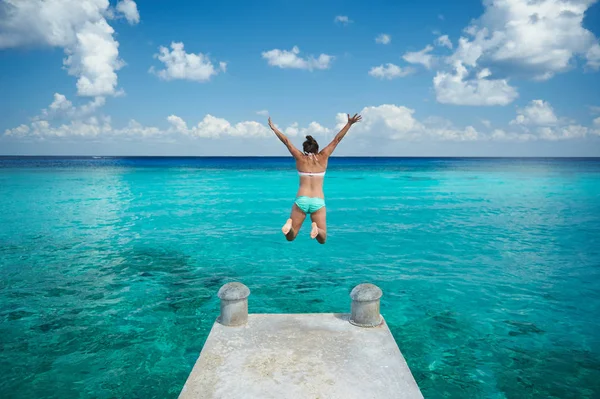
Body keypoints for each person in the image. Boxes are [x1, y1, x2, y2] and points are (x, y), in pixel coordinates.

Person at [267, 113, 362, 244]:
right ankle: (316, 229)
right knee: (322, 239)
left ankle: (289, 225)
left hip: (302, 200)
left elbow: (287, 142)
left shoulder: (300, 158)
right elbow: (336, 140)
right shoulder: (323, 156)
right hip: (318, 201)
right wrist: (349, 124)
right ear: (317, 148)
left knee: (291, 237)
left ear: (304, 149)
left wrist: (274, 128)